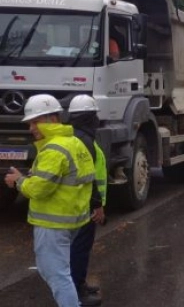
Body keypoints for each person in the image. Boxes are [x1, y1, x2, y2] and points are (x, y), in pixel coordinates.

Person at [4, 94, 95, 307]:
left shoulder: (53, 149)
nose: (31, 128)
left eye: (36, 121)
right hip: (72, 220)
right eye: (29, 123)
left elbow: (39, 189)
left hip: (53, 223)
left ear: (52, 119)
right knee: (59, 272)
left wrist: (18, 181)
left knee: (56, 275)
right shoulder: (74, 142)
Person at [66, 95, 106, 307]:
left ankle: (79, 282)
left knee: (79, 247)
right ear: (90, 118)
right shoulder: (85, 141)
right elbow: (88, 177)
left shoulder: (76, 137)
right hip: (84, 206)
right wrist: (96, 205)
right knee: (79, 248)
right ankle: (77, 291)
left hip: (79, 203)